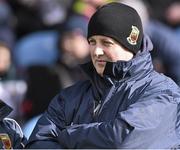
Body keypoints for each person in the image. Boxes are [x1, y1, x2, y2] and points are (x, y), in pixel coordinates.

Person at [26, 2, 180, 149]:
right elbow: (37, 143)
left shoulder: (163, 92)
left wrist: (67, 135)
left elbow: (121, 141)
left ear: (130, 45)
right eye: (92, 42)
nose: (96, 51)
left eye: (106, 43)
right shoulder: (70, 97)